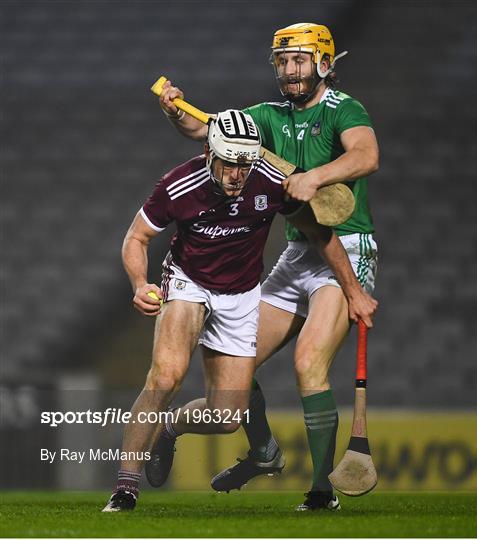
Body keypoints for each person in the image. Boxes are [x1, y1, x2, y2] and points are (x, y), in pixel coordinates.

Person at [102, 109, 377, 512]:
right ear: (210, 153)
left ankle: (170, 427)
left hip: (242, 294)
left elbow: (320, 234)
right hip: (188, 282)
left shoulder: (268, 179)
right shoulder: (179, 186)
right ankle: (125, 489)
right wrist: (140, 284)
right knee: (166, 375)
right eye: (229, 162)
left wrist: (354, 291)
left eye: (245, 163)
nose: (237, 174)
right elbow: (136, 237)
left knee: (226, 417)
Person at [156, 22, 379, 512]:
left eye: (298, 60)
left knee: (308, 365)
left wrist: (314, 177)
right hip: (300, 252)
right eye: (282, 62)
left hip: (347, 248)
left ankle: (321, 494)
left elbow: (367, 155)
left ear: (323, 62)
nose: (289, 71)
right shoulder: (268, 115)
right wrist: (176, 111)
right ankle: (263, 451)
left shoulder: (344, 108)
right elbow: (205, 128)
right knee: (237, 366)